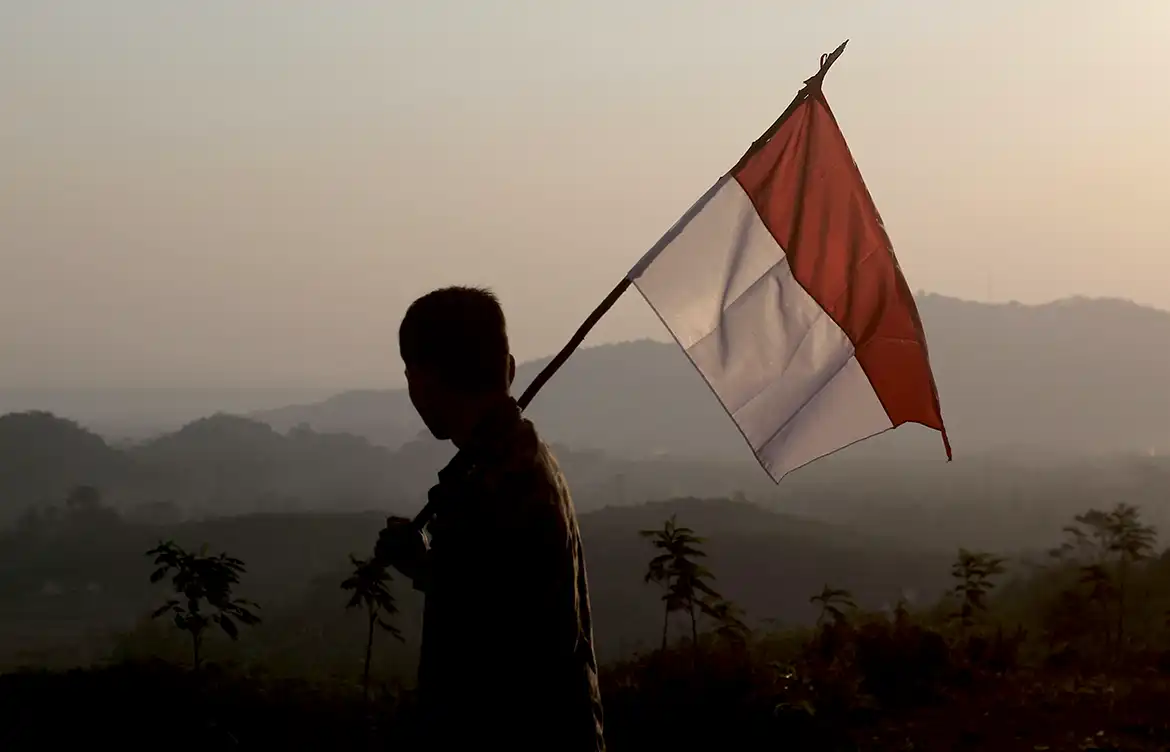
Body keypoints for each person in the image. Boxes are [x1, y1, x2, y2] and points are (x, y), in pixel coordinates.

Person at [376, 286, 606, 751]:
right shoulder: (521, 463)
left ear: (422, 380)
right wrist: (425, 564)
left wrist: (423, 564)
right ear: (510, 368)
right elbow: (490, 591)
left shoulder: (493, 485)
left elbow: (485, 642)